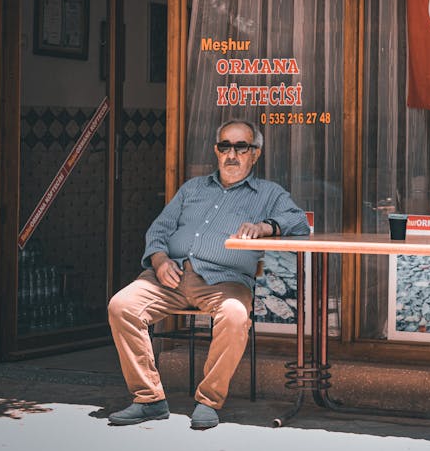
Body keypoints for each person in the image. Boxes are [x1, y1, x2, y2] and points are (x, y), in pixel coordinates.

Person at [107, 118, 310, 430]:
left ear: (254, 154)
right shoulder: (193, 189)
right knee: (121, 306)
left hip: (225, 281)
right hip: (169, 277)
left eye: (241, 147)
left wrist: (265, 226)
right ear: (217, 151)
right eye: (225, 146)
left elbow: (298, 220)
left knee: (235, 315)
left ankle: (208, 400)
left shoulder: (267, 193)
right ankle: (149, 399)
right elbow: (158, 230)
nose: (232, 154)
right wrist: (160, 260)